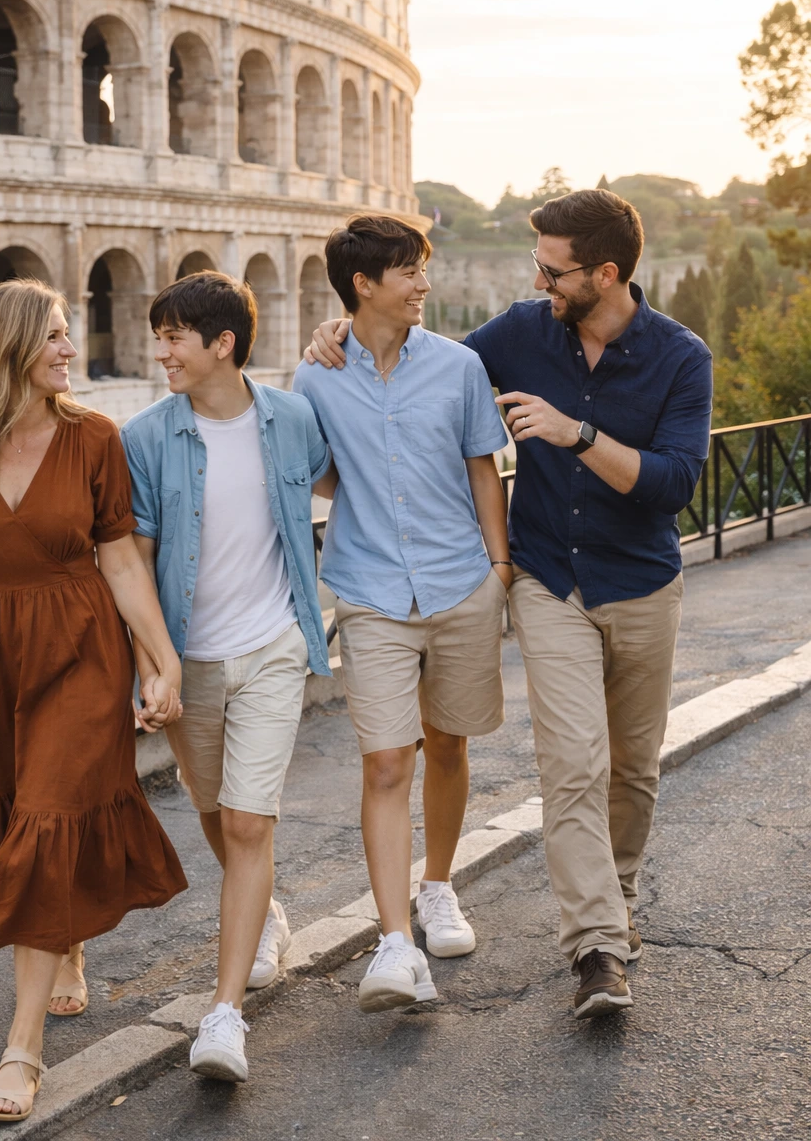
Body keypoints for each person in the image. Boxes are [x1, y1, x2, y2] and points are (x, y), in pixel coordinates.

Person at [306, 189, 713, 1019]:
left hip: (641, 582)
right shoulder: (522, 333)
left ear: (605, 274)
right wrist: (343, 325)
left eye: (552, 271)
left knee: (633, 769)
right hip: (547, 581)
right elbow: (425, 366)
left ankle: (617, 898)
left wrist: (577, 435)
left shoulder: (680, 356)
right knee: (573, 764)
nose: (538, 282)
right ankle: (596, 950)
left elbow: (674, 485)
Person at [0, 279, 187, 1122]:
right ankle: (65, 941)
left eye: (68, 333)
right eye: (55, 335)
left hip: (80, 651)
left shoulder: (94, 438)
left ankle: (22, 1052)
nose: (70, 349)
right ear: (11, 345)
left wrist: (161, 661)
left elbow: (119, 559)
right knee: (15, 811)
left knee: (52, 813)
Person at [293, 215, 512, 1014]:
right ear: (363, 285)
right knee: (386, 762)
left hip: (459, 582)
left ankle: (438, 886)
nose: (424, 284)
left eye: (423, 268)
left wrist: (499, 568)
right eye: (410, 271)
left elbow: (483, 468)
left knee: (448, 742)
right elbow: (319, 474)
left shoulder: (459, 366)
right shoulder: (315, 377)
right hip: (371, 590)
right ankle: (393, 941)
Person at [121, 272, 335, 1083]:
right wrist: (154, 666)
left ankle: (223, 1016)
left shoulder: (291, 418)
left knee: (248, 824)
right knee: (214, 809)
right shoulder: (146, 437)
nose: (162, 352)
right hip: (190, 658)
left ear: (223, 344)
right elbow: (135, 561)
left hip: (274, 645)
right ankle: (266, 911)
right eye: (160, 336)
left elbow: (338, 484)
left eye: (175, 337)